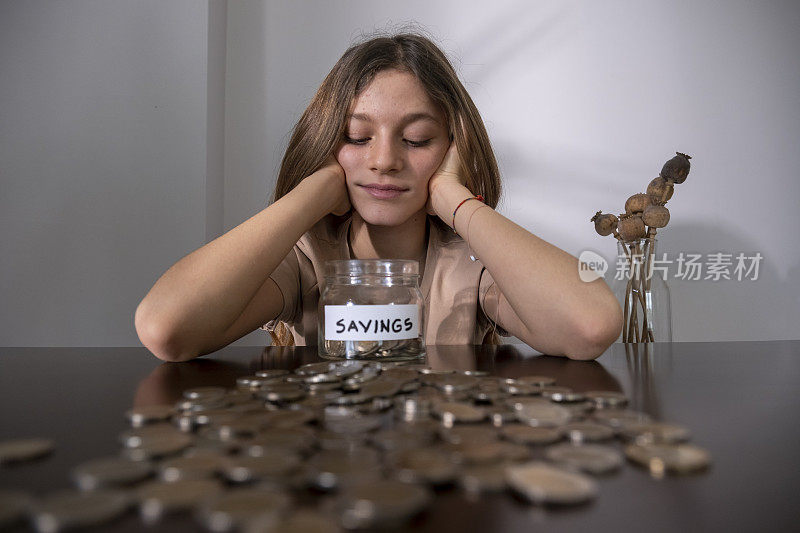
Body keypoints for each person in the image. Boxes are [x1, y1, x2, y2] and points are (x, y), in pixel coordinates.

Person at [134, 32, 622, 363]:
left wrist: (457, 200)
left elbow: (592, 324)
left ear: (453, 148)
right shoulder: (305, 260)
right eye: (356, 137)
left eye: (416, 140)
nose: (385, 160)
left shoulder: (470, 265)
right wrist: (310, 194)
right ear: (326, 144)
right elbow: (165, 329)